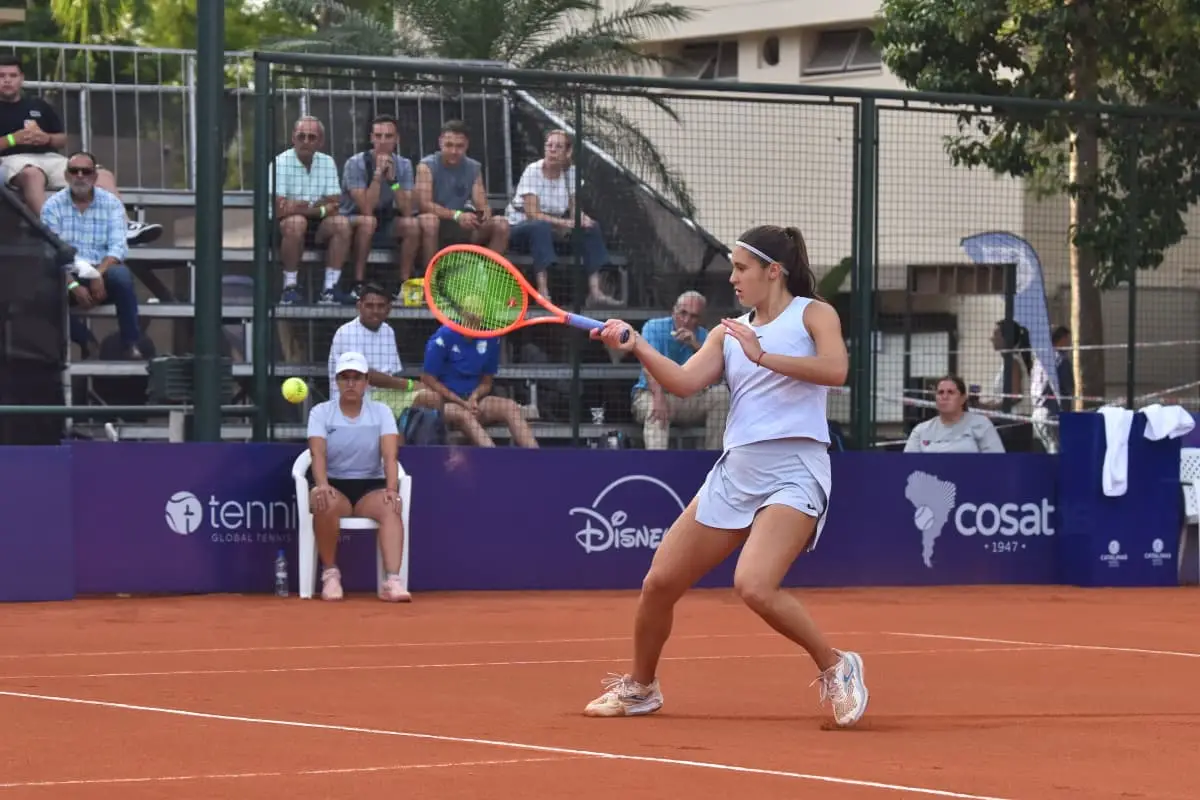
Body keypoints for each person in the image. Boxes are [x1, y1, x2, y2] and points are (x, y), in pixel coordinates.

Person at [584, 224, 868, 728]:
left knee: (755, 586)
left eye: (741, 268)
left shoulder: (814, 314)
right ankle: (642, 688)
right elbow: (687, 383)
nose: (733, 278)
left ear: (772, 271)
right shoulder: (726, 331)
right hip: (737, 470)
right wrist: (638, 348)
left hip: (796, 469)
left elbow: (836, 370)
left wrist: (763, 356)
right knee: (658, 584)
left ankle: (837, 666)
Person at [306, 351, 410, 603]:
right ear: (337, 382)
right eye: (345, 377)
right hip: (334, 484)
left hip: (369, 488)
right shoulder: (320, 412)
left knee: (390, 507)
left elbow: (389, 455)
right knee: (323, 501)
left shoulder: (382, 412)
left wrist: (391, 488)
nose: (350, 383)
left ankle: (392, 582)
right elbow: (317, 453)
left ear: (366, 382)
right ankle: (331, 575)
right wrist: (322, 485)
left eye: (357, 377)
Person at [41, 151, 143, 360]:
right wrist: (72, 285)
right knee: (39, 291)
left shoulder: (111, 204)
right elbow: (49, 253)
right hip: (66, 275)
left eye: (86, 171)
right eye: (74, 171)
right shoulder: (52, 206)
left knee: (122, 276)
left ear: (95, 177)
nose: (80, 176)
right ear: (67, 176)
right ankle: (85, 340)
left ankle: (130, 343)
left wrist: (98, 275)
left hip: (102, 272)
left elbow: (118, 248)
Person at [505, 129, 617, 305]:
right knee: (539, 226)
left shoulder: (571, 173)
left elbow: (574, 209)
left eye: (558, 146)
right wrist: (564, 222)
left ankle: (596, 292)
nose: (552, 150)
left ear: (568, 152)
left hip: (553, 229)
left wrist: (582, 219)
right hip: (521, 229)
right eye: (549, 145)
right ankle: (543, 292)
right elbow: (532, 214)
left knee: (591, 227)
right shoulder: (533, 171)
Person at [628, 290, 729, 450]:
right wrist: (659, 397)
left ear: (701, 318)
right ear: (674, 311)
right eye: (683, 313)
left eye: (694, 316)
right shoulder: (654, 327)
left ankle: (713, 462)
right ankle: (658, 468)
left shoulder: (704, 336)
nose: (687, 320)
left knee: (722, 395)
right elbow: (648, 366)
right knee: (653, 408)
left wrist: (695, 345)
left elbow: (716, 377)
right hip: (654, 394)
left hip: (689, 399)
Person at [419, 323, 539, 448]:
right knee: (463, 415)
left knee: (509, 406)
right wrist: (460, 402)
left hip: (473, 403)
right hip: (445, 405)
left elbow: (486, 382)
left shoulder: (491, 338)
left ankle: (537, 460)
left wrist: (474, 397)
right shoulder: (442, 337)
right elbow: (428, 379)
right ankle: (495, 459)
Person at [339, 114, 420, 298]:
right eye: (378, 136)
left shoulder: (404, 165)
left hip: (386, 219)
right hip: (353, 219)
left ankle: (404, 285)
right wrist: (377, 176)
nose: (383, 141)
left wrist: (394, 182)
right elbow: (366, 208)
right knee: (368, 221)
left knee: (412, 226)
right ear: (371, 138)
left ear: (397, 139)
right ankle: (358, 282)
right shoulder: (355, 163)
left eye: (389, 136)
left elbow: (408, 210)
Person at [904, 375, 1005, 454]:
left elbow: (998, 463)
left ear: (962, 398)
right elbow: (907, 466)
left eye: (951, 392)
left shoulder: (982, 425)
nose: (945, 396)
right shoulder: (921, 430)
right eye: (940, 392)